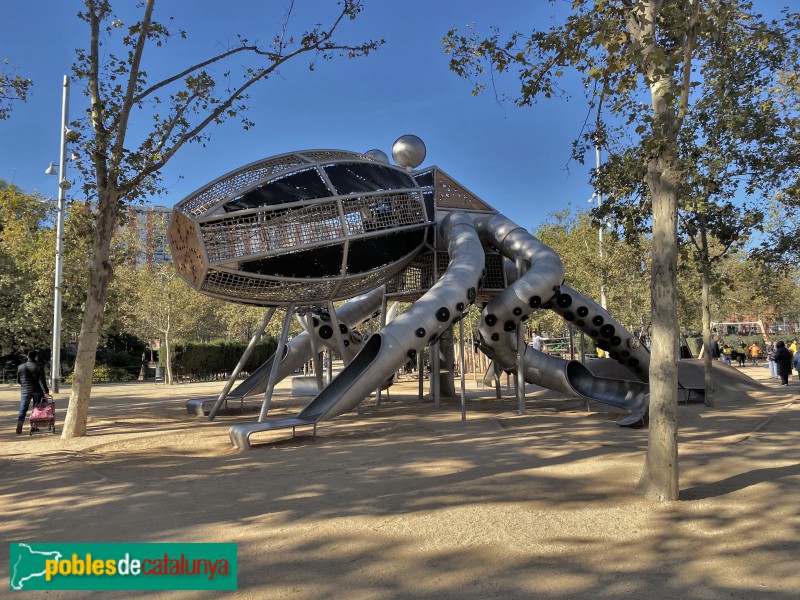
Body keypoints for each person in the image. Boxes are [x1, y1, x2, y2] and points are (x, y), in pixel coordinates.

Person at [16, 350, 50, 434]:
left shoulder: (20, 367)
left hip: (25, 391)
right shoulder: (38, 366)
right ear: (36, 357)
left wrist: (24, 384)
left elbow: (18, 381)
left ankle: (20, 423)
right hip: (37, 391)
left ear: (28, 356)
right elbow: (42, 381)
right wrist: (46, 391)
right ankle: (34, 426)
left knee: (23, 408)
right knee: (36, 409)